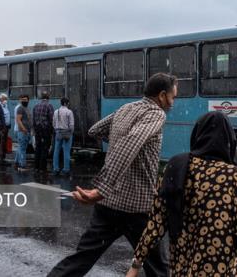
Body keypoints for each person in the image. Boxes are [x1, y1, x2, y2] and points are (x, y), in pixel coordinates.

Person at [48, 73, 177, 277]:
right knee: (158, 268)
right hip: (137, 207)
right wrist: (101, 190)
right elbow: (131, 143)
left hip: (109, 206)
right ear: (162, 95)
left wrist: (118, 140)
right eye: (172, 97)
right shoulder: (156, 114)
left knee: (81, 259)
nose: (172, 103)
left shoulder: (127, 108)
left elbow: (95, 130)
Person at [126, 112, 237, 277]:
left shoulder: (175, 167)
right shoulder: (235, 177)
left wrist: (136, 263)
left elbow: (155, 225)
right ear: (229, 140)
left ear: (197, 135)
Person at [33, 91, 54, 173]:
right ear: (48, 98)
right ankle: (42, 168)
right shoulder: (49, 106)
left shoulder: (36, 106)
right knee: (45, 148)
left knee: (38, 148)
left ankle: (36, 167)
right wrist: (52, 130)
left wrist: (35, 129)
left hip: (37, 130)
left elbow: (34, 120)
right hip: (45, 130)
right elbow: (51, 119)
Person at [52, 97, 74, 176]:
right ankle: (66, 169)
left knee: (56, 151)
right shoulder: (69, 112)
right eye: (68, 103)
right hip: (67, 132)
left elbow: (53, 124)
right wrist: (71, 133)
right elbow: (71, 125)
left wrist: (57, 130)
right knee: (66, 151)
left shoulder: (56, 112)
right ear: (65, 103)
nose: (68, 104)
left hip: (58, 132)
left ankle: (56, 169)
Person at [15, 95, 32, 171]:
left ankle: (18, 162)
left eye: (26, 99)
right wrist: (23, 128)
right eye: (23, 99)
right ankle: (22, 166)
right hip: (22, 132)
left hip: (27, 131)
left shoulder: (27, 108)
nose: (24, 101)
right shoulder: (20, 108)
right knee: (22, 149)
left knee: (22, 148)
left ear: (28, 100)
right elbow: (18, 120)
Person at [0, 93, 11, 166]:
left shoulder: (5, 106)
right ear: (0, 99)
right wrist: (1, 129)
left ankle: (2, 158)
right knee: (1, 144)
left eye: (6, 99)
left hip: (6, 127)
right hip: (1, 129)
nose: (5, 100)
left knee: (3, 144)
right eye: (4, 99)